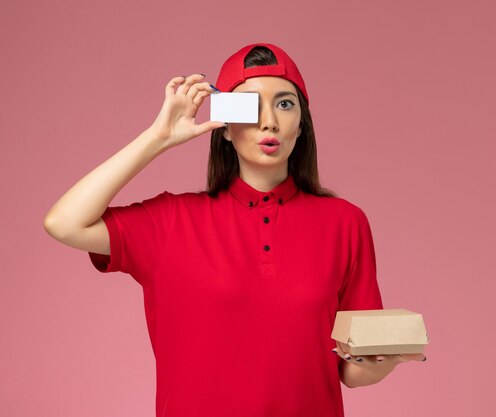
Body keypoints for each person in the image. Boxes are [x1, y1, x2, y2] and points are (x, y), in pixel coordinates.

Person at [43, 42, 425, 417]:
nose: (269, 120)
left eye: (285, 103)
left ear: (301, 125)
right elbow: (64, 222)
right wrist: (157, 139)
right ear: (225, 127)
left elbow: (350, 371)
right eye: (249, 106)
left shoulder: (345, 223)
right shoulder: (172, 221)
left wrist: (383, 361)